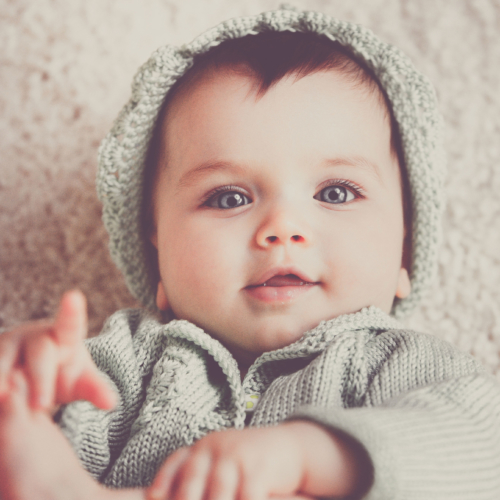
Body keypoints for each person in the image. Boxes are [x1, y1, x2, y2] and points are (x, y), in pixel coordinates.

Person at [0, 7, 499, 500]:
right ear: (159, 259)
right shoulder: (127, 365)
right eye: (229, 198)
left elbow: (484, 445)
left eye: (336, 192)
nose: (282, 228)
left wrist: (312, 455)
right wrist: (27, 384)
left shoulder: (399, 366)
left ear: (405, 254)